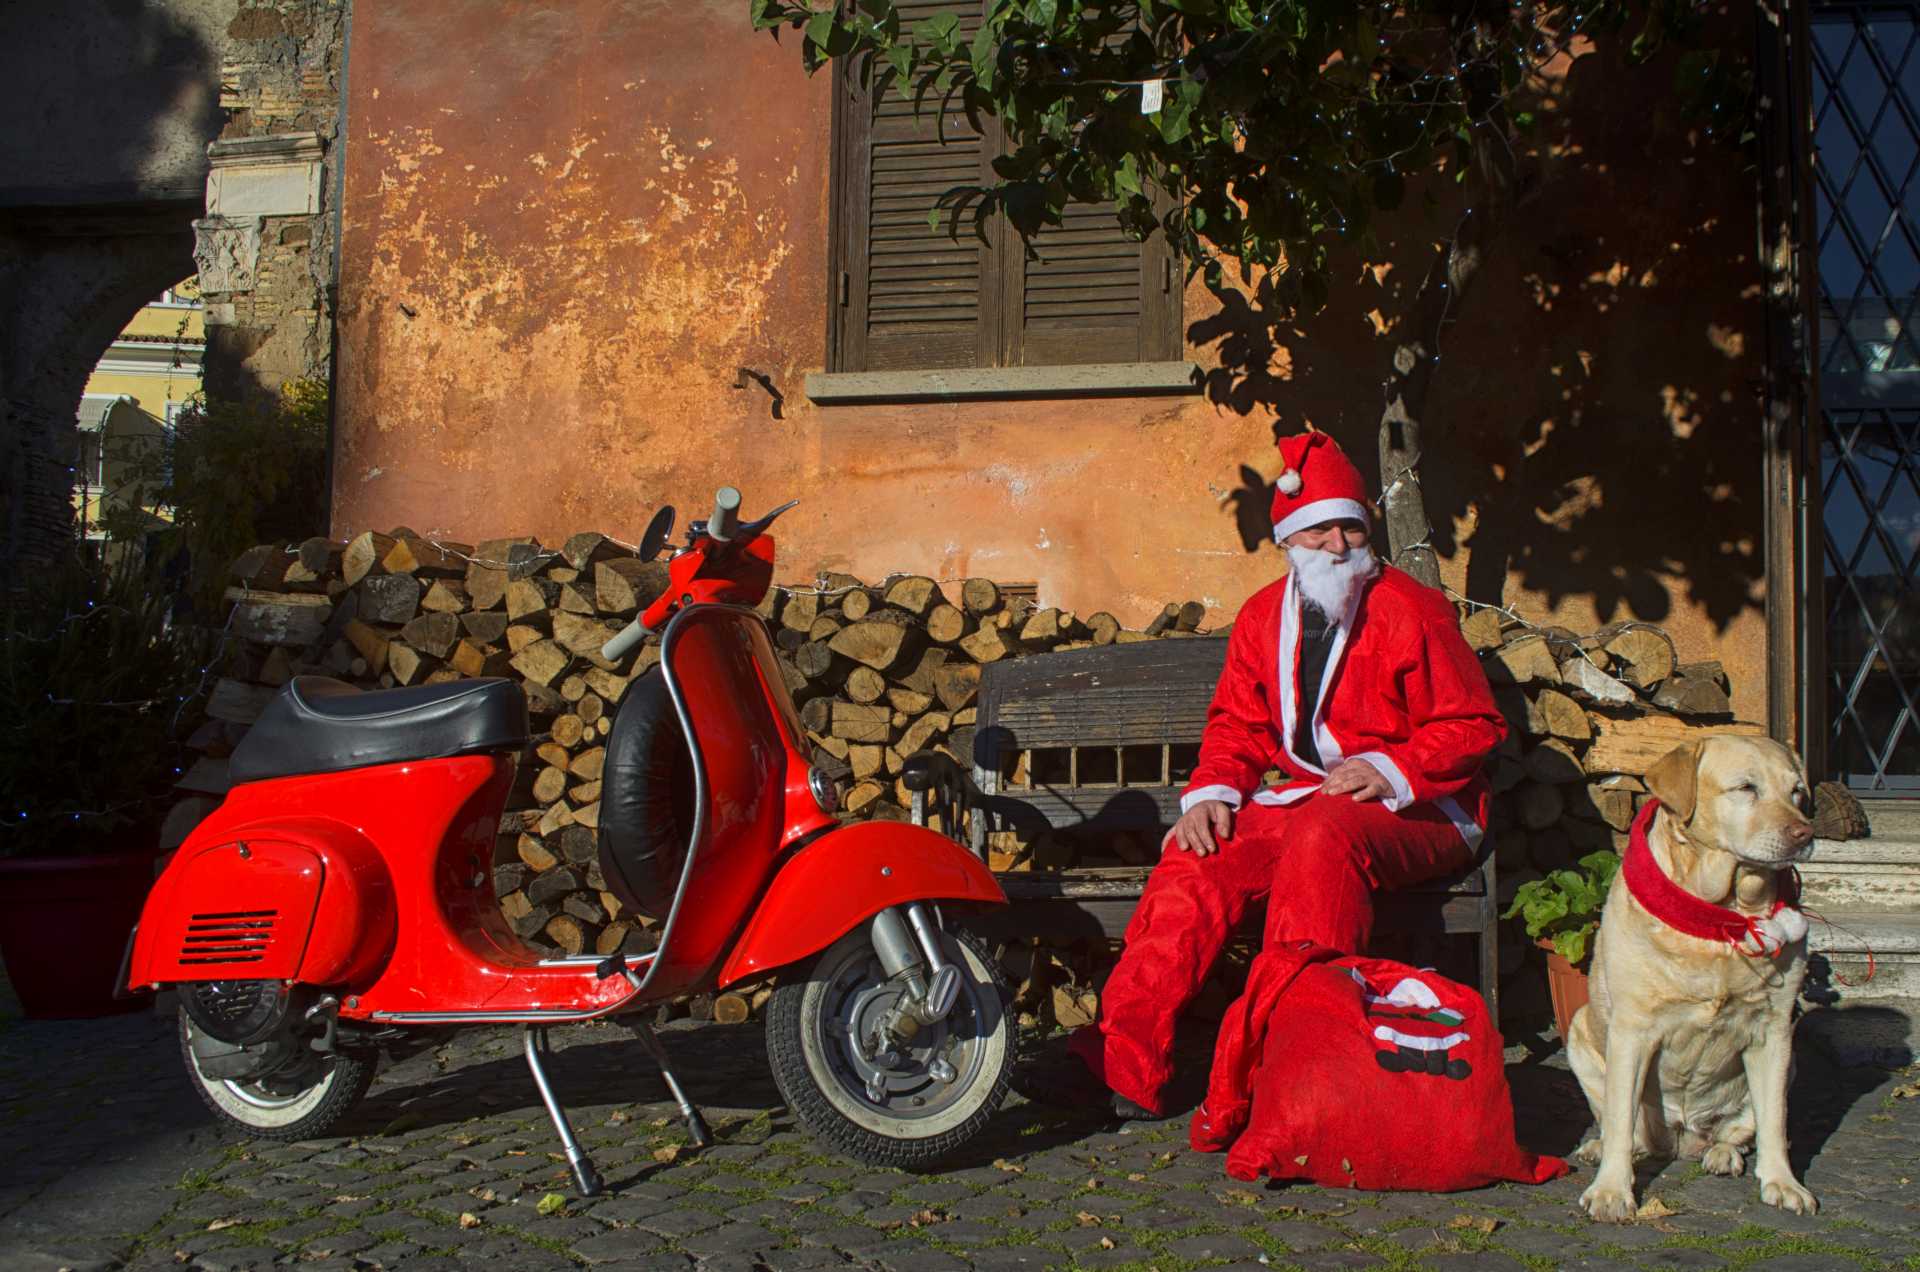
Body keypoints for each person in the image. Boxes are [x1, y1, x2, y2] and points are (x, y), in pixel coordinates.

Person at [1041, 430, 1507, 1119]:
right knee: (1199, 856)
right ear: (1290, 539)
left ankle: (1298, 1062)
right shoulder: (1264, 617)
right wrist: (1211, 794)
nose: (1338, 546)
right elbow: (1237, 724)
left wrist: (1393, 766)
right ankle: (1121, 1060)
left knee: (1322, 839)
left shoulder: (1413, 610)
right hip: (1309, 802)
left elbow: (1474, 725)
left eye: (1350, 528)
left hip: (1427, 810)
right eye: (1319, 531)